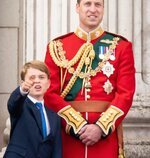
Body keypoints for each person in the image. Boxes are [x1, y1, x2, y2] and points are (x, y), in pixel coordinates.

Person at [44, 0, 135, 158]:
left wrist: (100, 127)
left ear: (103, 9)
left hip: (105, 139)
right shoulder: (57, 47)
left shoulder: (121, 47)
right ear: (77, 8)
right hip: (68, 139)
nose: (93, 9)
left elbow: (125, 94)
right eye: (88, 4)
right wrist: (77, 126)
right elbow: (49, 93)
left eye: (98, 4)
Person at [3, 60, 62, 158]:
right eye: (32, 78)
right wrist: (22, 90)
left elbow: (56, 149)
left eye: (41, 77)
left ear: (48, 83)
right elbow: (13, 103)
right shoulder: (20, 106)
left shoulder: (54, 116)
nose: (37, 81)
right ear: (23, 83)